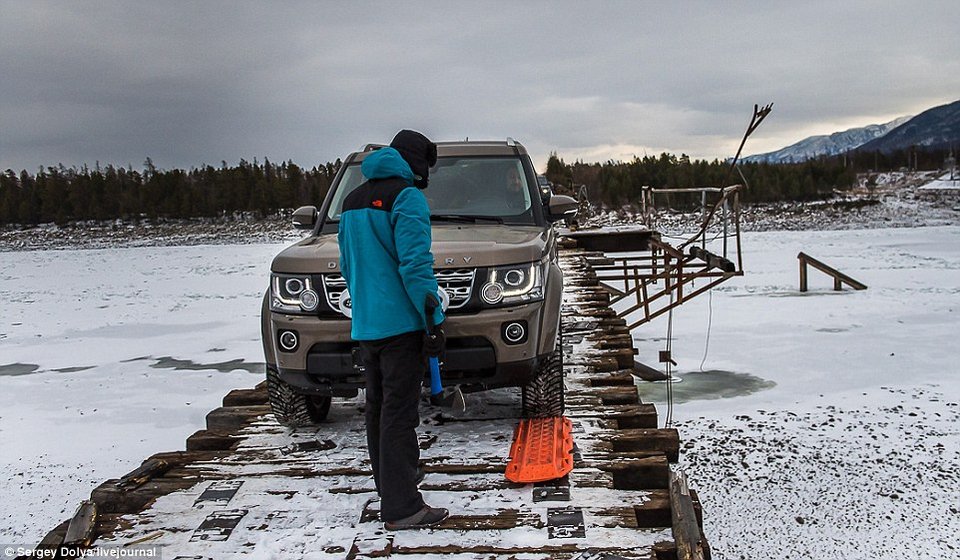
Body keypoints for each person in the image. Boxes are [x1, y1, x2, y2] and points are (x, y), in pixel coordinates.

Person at [337, 129, 449, 530]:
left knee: (379, 409)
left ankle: (391, 483)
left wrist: (366, 309)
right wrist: (433, 319)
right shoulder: (407, 198)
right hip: (402, 325)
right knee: (399, 414)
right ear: (417, 163)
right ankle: (403, 508)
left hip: (367, 324)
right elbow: (415, 266)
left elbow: (348, 266)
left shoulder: (351, 201)